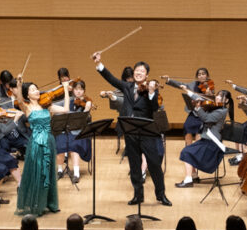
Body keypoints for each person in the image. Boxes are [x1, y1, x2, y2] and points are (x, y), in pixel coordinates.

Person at [93, 51, 170, 206]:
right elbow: (111, 78)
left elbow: (154, 108)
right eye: (137, 70)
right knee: (134, 165)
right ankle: (138, 195)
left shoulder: (151, 90)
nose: (138, 73)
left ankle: (161, 195)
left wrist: (151, 92)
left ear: (147, 75)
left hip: (147, 132)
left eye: (142, 71)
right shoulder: (127, 86)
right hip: (130, 131)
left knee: (154, 164)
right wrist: (99, 64)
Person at [13, 79, 60, 216]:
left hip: (49, 141)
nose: (37, 91)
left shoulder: (45, 106)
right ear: (27, 95)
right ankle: (35, 204)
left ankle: (48, 202)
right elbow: (19, 100)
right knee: (37, 172)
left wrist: (65, 89)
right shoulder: (27, 107)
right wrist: (19, 86)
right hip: (36, 143)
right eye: (33, 90)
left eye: (37, 88)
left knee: (48, 171)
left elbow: (65, 109)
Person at [176, 88, 233, 187]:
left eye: (221, 96)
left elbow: (207, 119)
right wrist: (187, 91)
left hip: (212, 143)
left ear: (226, 100)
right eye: (217, 95)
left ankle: (189, 179)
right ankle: (193, 176)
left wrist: (198, 108)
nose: (217, 97)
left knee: (187, 152)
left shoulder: (223, 111)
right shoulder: (215, 106)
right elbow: (200, 98)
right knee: (187, 151)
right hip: (206, 139)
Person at [51, 77, 93, 182]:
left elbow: (85, 121)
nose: (78, 91)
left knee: (74, 147)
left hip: (78, 132)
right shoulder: (67, 100)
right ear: (73, 90)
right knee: (60, 145)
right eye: (76, 89)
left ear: (84, 91)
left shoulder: (87, 102)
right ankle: (59, 170)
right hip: (64, 130)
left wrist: (87, 109)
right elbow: (52, 106)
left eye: (81, 89)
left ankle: (76, 174)